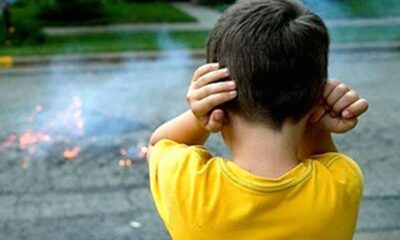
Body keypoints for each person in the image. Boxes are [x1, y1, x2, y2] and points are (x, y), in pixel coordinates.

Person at [147, 0, 369, 239]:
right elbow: (322, 159)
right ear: (317, 103)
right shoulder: (343, 182)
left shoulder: (187, 183)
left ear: (217, 102)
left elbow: (158, 144)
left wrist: (197, 116)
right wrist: (316, 118)